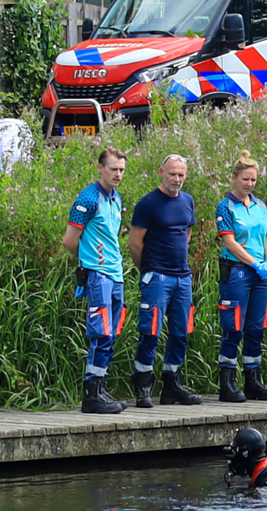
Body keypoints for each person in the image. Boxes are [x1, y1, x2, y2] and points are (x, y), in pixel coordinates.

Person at [127, 154, 203, 408]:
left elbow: (187, 234)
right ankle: (143, 384)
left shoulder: (188, 201)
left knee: (181, 333)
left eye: (181, 175)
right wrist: (147, 270)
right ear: (161, 172)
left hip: (182, 277)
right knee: (150, 332)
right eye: (172, 174)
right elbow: (135, 243)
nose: (177, 179)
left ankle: (172, 384)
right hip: (157, 275)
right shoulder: (148, 203)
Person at [63, 147, 129, 414]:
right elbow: (70, 240)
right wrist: (90, 261)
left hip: (116, 273)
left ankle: (100, 386)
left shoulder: (116, 197)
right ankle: (91, 394)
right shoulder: (88, 198)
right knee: (100, 332)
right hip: (98, 274)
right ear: (101, 168)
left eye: (122, 169)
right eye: (113, 169)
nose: (118, 174)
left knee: (112, 333)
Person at [215, 151, 267, 402]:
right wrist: (253, 262)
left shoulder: (261, 206)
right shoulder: (226, 205)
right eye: (245, 179)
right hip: (238, 270)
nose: (249, 184)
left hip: (260, 273)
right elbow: (229, 242)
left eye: (253, 180)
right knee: (234, 327)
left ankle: (253, 379)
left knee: (255, 328)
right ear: (234, 178)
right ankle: (228, 382)